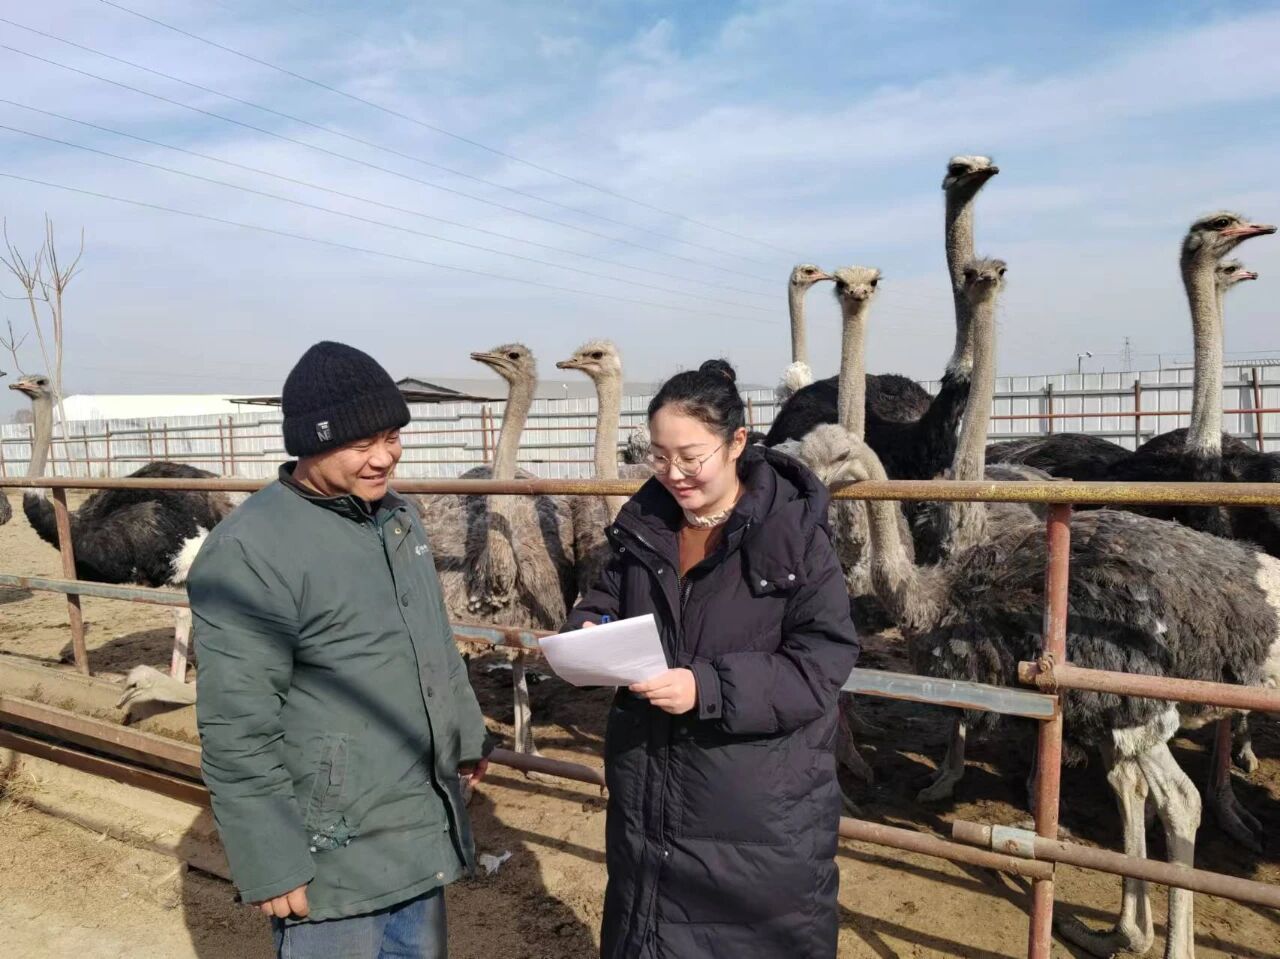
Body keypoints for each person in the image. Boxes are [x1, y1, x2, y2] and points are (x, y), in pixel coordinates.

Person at [190, 341, 492, 959]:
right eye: (361, 443)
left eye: (392, 436)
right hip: (331, 845)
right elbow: (236, 724)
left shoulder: (396, 519)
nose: (384, 456)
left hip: (414, 825)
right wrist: (271, 858)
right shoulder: (252, 551)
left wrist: (465, 734)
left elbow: (433, 640)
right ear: (310, 443)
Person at [565, 359, 860, 958]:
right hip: (650, 800)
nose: (673, 473)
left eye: (690, 457)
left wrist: (708, 687)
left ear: (736, 443)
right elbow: (602, 601)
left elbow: (820, 663)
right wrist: (589, 634)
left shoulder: (794, 535)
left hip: (756, 815)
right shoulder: (644, 530)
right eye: (659, 457)